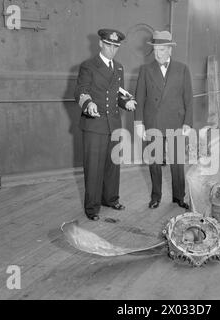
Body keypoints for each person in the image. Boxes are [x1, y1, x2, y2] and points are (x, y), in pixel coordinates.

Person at [74, 28, 137, 221]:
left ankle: (110, 199)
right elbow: (81, 91)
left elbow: (116, 92)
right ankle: (92, 208)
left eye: (116, 46)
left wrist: (125, 102)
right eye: (109, 45)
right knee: (93, 167)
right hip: (94, 124)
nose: (112, 49)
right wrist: (88, 104)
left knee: (112, 165)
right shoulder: (88, 66)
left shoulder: (118, 67)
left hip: (114, 124)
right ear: (101, 43)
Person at [135, 30, 193, 210]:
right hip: (153, 122)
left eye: (162, 50)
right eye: (156, 50)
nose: (158, 54)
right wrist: (138, 124)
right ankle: (156, 196)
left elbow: (188, 98)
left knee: (177, 163)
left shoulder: (182, 69)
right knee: (154, 161)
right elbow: (140, 98)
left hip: (176, 122)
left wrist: (188, 123)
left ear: (170, 50)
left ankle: (178, 196)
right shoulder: (145, 70)